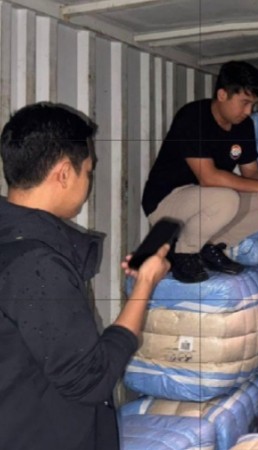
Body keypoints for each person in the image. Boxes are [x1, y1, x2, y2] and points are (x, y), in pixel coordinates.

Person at [0, 102, 170, 450]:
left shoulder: (14, 242)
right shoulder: (36, 264)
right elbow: (91, 380)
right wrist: (145, 284)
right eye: (88, 171)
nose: (88, 182)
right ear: (64, 173)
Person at [142, 60, 258, 283]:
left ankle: (209, 247)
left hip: (207, 200)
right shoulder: (194, 116)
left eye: (253, 105)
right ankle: (182, 253)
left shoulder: (243, 126)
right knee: (226, 199)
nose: (249, 111)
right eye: (244, 103)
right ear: (222, 95)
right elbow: (208, 177)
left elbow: (251, 172)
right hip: (167, 202)